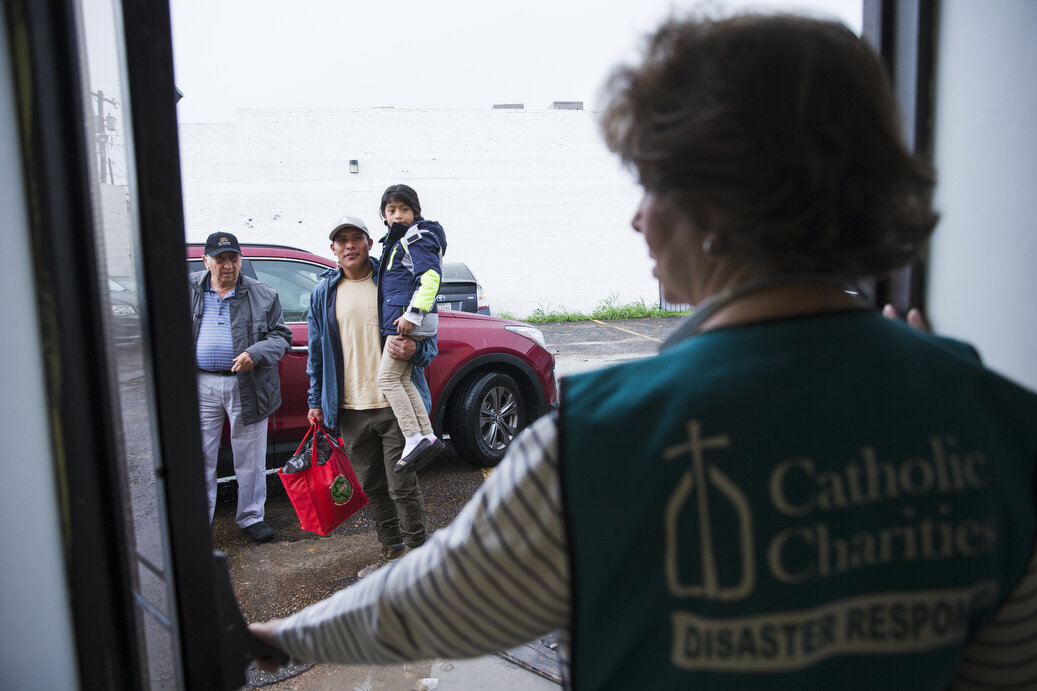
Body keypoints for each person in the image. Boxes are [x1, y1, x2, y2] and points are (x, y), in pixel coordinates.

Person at [250, 14, 1037, 688]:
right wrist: (939, 391)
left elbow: (433, 600)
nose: (636, 222)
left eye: (652, 184)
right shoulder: (1002, 420)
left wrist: (281, 635)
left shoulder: (594, 444)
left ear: (718, 209)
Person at [306, 215, 435, 576]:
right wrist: (316, 401)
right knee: (373, 487)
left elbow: (428, 337)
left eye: (356, 238)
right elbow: (316, 351)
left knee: (402, 485)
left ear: (369, 243)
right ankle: (393, 552)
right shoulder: (323, 294)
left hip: (395, 405)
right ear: (332, 248)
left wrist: (416, 352)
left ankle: (419, 557)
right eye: (341, 240)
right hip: (350, 409)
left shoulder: (392, 280)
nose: (350, 245)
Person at [191, 231, 292, 543]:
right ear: (206, 260)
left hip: (247, 384)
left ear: (240, 260)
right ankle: (197, 521)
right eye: (220, 259)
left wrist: (256, 353)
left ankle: (251, 517)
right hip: (201, 383)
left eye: (233, 258)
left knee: (249, 456)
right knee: (200, 457)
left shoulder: (263, 294)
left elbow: (281, 337)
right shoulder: (188, 289)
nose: (227, 265)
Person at [375, 184, 448, 472]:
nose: (398, 215)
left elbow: (430, 278)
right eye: (391, 210)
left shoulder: (417, 236)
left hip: (406, 321)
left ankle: (413, 435)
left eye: (404, 209)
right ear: (383, 214)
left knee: (387, 380)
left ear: (415, 211)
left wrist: (412, 316)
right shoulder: (397, 240)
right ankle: (427, 435)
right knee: (402, 380)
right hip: (404, 318)